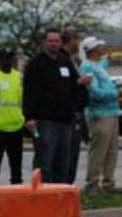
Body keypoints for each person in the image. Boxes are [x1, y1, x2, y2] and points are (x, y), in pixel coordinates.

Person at [22, 28, 81, 183]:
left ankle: (59, 196)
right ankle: (42, 195)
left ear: (61, 43)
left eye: (56, 41)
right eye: (50, 41)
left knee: (63, 161)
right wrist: (29, 116)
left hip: (65, 121)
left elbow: (74, 87)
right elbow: (29, 92)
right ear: (44, 42)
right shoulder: (35, 64)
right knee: (45, 160)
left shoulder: (65, 62)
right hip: (45, 121)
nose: (53, 44)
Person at [79, 35, 121, 192]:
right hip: (99, 113)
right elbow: (94, 92)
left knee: (112, 150)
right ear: (93, 50)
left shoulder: (99, 65)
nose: (102, 48)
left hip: (111, 112)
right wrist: (114, 93)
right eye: (99, 46)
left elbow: (104, 63)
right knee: (99, 150)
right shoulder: (88, 67)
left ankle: (109, 183)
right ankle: (92, 183)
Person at [0, 48, 25, 187]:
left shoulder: (19, 76)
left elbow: (23, 99)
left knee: (16, 162)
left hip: (16, 125)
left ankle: (17, 186)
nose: (8, 60)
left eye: (10, 57)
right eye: (5, 57)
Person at [59, 29, 92, 184]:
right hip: (69, 113)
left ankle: (68, 184)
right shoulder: (62, 60)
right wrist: (79, 82)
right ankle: (63, 185)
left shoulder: (72, 60)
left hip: (78, 113)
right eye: (76, 40)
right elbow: (62, 86)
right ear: (70, 40)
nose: (78, 43)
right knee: (66, 154)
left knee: (73, 154)